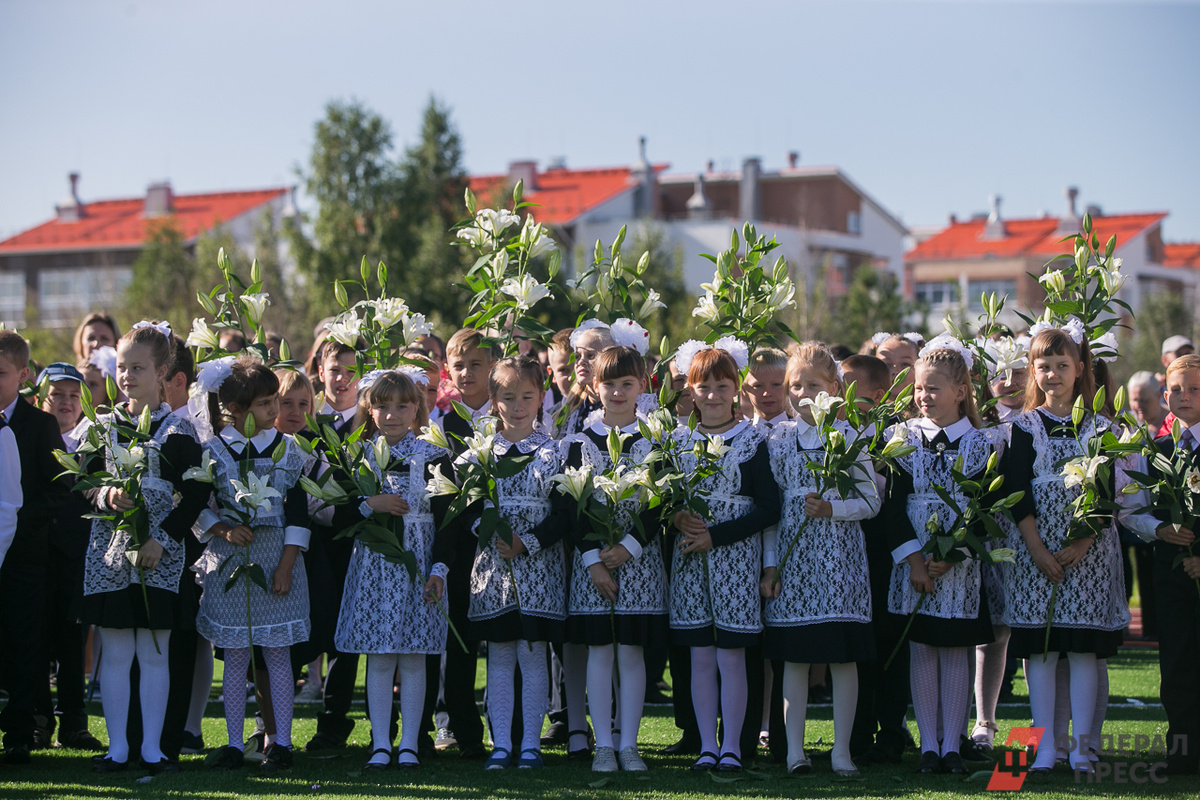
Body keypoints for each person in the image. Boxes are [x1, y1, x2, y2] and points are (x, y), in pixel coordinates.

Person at [78, 324, 208, 774]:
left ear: (163, 373)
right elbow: (85, 482)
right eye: (122, 367)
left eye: (138, 368)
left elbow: (195, 495)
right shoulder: (103, 426)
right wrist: (105, 496)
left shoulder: (179, 431)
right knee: (115, 650)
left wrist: (162, 539)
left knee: (155, 651)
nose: (128, 376)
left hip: (159, 555)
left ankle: (153, 749)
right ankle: (118, 749)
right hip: (113, 554)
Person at [1002, 326, 1129, 774]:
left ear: (1079, 370)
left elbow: (1107, 492)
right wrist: (1036, 548)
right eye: (1044, 367)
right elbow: (1017, 491)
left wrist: (1083, 540)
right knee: (1040, 650)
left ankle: (1081, 748)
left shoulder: (1102, 428)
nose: (1053, 374)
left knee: (1081, 650)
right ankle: (1044, 748)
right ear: (1032, 373)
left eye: (1062, 366)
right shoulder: (1020, 428)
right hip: (1036, 554)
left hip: (1087, 556)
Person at [761, 343, 879, 777]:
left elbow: (871, 501)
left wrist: (834, 508)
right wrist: (771, 565)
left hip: (839, 562)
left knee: (842, 658)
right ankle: (795, 751)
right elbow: (770, 514)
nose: (804, 393)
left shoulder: (848, 438)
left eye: (814, 384)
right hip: (793, 566)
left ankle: (841, 751)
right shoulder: (777, 441)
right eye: (796, 385)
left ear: (834, 387)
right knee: (794, 657)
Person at [883, 336, 999, 776]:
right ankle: (927, 745)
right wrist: (915, 561)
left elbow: (985, 508)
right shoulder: (903, 437)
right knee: (921, 648)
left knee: (954, 651)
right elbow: (892, 508)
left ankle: (953, 743)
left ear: (961, 391)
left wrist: (954, 555)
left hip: (959, 567)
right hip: (913, 562)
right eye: (918, 389)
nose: (923, 397)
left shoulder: (983, 444)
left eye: (933, 389)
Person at [331, 368, 455, 771]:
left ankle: (410, 745)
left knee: (415, 656)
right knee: (381, 657)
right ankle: (381, 742)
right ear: (369, 408)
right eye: (382, 406)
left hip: (420, 564)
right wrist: (372, 504)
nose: (392, 415)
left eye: (402, 406)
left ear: (417, 408)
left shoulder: (434, 454)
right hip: (375, 566)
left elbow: (448, 520)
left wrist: (438, 570)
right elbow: (337, 513)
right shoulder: (357, 454)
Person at [195, 357, 315, 772]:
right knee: (235, 656)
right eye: (265, 404)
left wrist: (286, 565)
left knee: (278, 654)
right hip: (231, 563)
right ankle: (231, 742)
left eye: (273, 402)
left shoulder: (288, 450)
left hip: (276, 559)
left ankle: (280, 741)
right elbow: (199, 507)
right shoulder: (212, 451)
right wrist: (225, 529)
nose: (274, 411)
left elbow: (298, 514)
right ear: (239, 410)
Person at [669, 339, 780, 773]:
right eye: (703, 387)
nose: (712, 395)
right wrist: (677, 518)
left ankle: (732, 744)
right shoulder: (676, 442)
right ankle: (705, 745)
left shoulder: (754, 441)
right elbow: (660, 502)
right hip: (688, 558)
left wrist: (717, 536)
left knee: (732, 654)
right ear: (690, 391)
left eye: (721, 386)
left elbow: (769, 509)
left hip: (736, 560)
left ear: (736, 390)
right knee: (699, 654)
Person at [561, 343, 667, 773]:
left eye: (627, 383)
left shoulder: (654, 441)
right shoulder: (579, 442)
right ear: (593, 385)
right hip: (593, 567)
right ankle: (602, 743)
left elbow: (658, 504)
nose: (619, 392)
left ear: (642, 385)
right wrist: (594, 561)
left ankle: (629, 743)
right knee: (600, 652)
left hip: (638, 561)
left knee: (632, 654)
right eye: (610, 384)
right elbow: (571, 508)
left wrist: (628, 547)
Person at [466, 357, 566, 770]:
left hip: (539, 568)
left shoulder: (555, 451)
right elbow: (466, 506)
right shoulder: (480, 452)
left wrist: (528, 542)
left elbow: (563, 514)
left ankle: (530, 744)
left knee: (532, 652)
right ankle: (501, 743)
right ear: (494, 401)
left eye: (527, 396)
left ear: (542, 397)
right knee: (501, 656)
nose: (519, 405)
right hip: (493, 570)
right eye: (508, 397)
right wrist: (489, 532)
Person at [1123, 355, 1200, 774]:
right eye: (1176, 390)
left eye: (1194, 389)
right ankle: (1183, 752)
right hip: (1170, 576)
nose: (1183, 397)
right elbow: (1131, 510)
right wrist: (1159, 531)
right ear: (1164, 394)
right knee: (1176, 666)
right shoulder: (1155, 450)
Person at [426, 328, 499, 759]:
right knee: (460, 640)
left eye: (477, 364)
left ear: (493, 366)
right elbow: (443, 492)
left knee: (506, 641)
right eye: (460, 366)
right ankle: (461, 727)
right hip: (458, 544)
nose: (468, 373)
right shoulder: (442, 425)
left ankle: (508, 727)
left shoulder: (510, 413)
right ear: (448, 372)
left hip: (508, 545)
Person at [0, 331, 71, 765]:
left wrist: (17, 521)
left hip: (25, 555)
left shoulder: (39, 424)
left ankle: (21, 731)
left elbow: (59, 487)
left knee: (25, 642)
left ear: (23, 375)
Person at [840, 354, 913, 765]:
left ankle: (890, 730)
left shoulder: (894, 436)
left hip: (885, 554)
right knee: (856, 644)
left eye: (851, 385)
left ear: (879, 394)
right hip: (846, 553)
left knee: (887, 642)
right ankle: (855, 731)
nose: (841, 393)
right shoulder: (834, 432)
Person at [35, 363, 104, 751]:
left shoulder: (91, 443)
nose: (65, 402)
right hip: (34, 554)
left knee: (73, 642)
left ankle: (75, 723)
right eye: (57, 395)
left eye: (74, 396)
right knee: (37, 641)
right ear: (42, 398)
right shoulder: (29, 437)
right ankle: (39, 720)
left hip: (76, 556)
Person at [306, 338, 365, 751]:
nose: (342, 379)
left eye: (350, 371)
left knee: (348, 631)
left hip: (356, 538)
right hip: (311, 537)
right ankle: (268, 718)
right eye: (334, 370)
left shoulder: (370, 420)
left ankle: (334, 719)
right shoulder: (306, 417)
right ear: (320, 371)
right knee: (309, 623)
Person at [742, 347, 790, 427]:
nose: (767, 394)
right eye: (758, 386)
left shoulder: (802, 434)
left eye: (776, 384)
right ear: (745, 390)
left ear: (789, 386)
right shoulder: (738, 434)